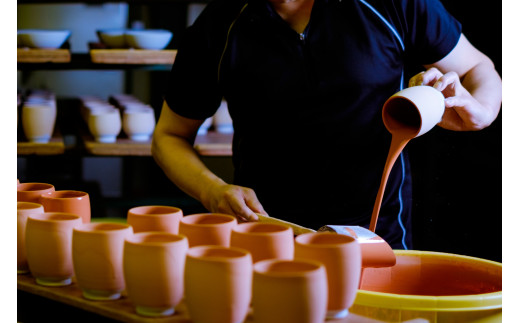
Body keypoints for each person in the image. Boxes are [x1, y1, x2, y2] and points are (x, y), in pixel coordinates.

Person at [152, 0, 502, 249]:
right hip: (270, 239)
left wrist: (482, 110)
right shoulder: (218, 25)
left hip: (377, 240)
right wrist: (211, 189)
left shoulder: (391, 3)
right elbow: (168, 136)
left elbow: (477, 68)